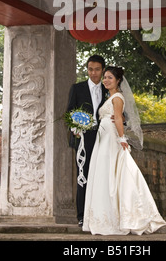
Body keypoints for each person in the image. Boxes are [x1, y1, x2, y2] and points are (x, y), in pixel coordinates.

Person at [82, 65, 166, 235]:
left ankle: (128, 217)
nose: (106, 80)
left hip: (111, 140)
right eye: (104, 77)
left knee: (116, 174)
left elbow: (119, 118)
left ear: (118, 80)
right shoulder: (110, 97)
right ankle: (106, 217)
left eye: (109, 78)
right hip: (104, 140)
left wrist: (121, 139)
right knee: (105, 175)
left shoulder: (118, 97)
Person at [67, 54, 107, 226]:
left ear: (103, 70)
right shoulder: (77, 88)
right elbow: (70, 112)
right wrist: (75, 128)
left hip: (105, 139)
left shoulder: (109, 89)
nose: (93, 73)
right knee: (83, 176)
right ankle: (82, 216)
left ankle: (101, 214)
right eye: (90, 69)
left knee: (103, 176)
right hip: (83, 139)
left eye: (97, 69)